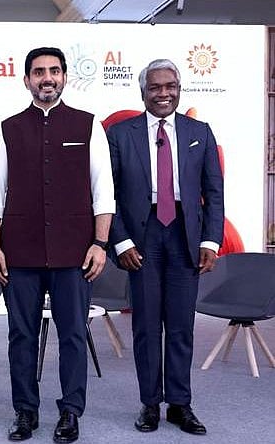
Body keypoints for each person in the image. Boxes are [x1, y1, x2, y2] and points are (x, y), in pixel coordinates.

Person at [0, 47, 115, 443]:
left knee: (73, 333)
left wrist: (100, 244)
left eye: (54, 71)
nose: (47, 78)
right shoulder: (6, 128)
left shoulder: (88, 126)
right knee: (21, 334)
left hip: (75, 252)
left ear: (64, 77)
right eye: (39, 71)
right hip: (19, 251)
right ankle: (25, 411)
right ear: (26, 79)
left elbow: (103, 191)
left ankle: (71, 412)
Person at [106, 59, 223, 436]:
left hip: (185, 237)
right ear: (143, 92)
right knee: (144, 325)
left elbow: (213, 192)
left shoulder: (199, 132)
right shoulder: (122, 135)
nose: (164, 93)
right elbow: (108, 195)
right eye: (155, 87)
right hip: (143, 236)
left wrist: (211, 239)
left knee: (181, 326)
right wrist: (120, 240)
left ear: (179, 88)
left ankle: (180, 404)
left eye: (170, 86)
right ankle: (150, 403)